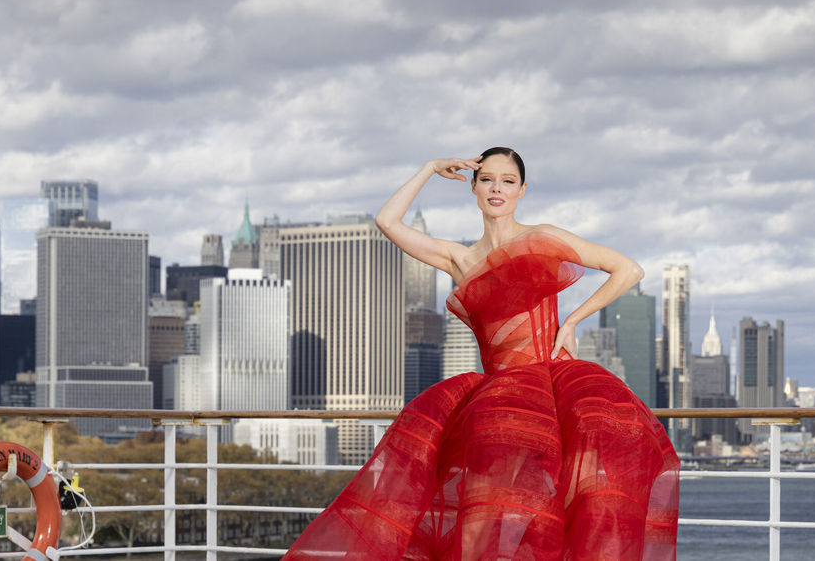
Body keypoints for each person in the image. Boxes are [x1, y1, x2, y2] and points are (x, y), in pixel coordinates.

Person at [284, 147, 679, 560]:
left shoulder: (542, 238)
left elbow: (628, 270)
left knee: (566, 508)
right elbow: (387, 221)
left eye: (508, 181)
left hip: (552, 393)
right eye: (487, 179)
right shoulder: (461, 258)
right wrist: (429, 168)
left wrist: (572, 322)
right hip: (495, 404)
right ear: (473, 187)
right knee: (484, 514)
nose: (497, 188)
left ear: (522, 190)